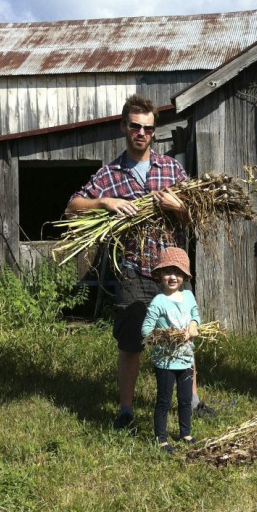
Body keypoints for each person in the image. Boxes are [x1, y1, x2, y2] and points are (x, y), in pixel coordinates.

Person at [66, 94, 213, 430]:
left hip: (171, 270)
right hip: (132, 268)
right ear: (124, 127)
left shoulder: (172, 169)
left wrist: (179, 207)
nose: (142, 133)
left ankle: (191, 400)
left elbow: (197, 217)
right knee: (132, 340)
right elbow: (72, 206)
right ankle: (126, 410)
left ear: (153, 132)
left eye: (148, 128)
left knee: (182, 336)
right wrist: (105, 203)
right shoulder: (110, 174)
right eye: (135, 126)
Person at [141, 247, 200, 453]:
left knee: (185, 400)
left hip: (185, 359)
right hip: (166, 361)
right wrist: (165, 335)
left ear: (184, 275)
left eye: (177, 272)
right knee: (164, 400)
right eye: (168, 272)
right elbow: (146, 329)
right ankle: (162, 439)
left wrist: (193, 326)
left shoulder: (189, 296)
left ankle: (185, 433)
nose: (173, 277)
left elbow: (195, 316)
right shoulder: (159, 302)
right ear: (159, 275)